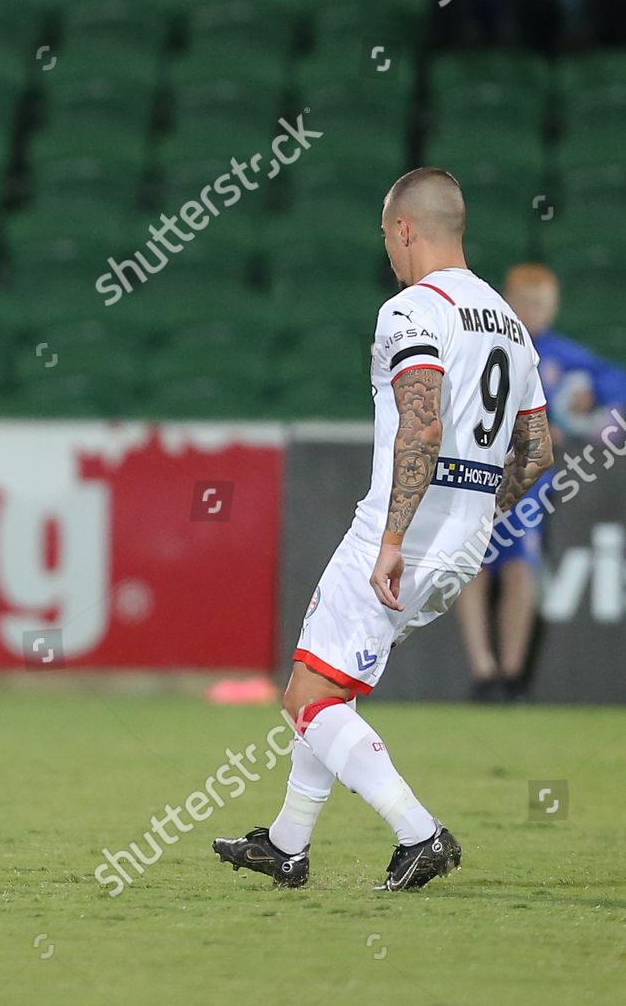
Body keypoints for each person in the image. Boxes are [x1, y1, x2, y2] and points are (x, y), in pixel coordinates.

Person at [212, 168, 554, 890]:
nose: (387, 251)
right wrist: (478, 516)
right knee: (326, 681)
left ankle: (419, 832)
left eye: (385, 235)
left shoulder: (413, 309)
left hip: (402, 528)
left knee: (306, 698)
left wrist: (394, 538)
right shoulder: (511, 324)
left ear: (405, 229)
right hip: (463, 540)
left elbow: (421, 426)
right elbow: (537, 453)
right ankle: (287, 844)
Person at [456, 263, 626, 702]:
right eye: (526, 303)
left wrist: (591, 403)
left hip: (528, 479)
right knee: (470, 566)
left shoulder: (562, 355)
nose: (533, 312)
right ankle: (483, 669)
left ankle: (511, 674)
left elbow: (615, 384)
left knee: (519, 566)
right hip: (479, 468)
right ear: (508, 302)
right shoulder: (487, 344)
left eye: (542, 305)